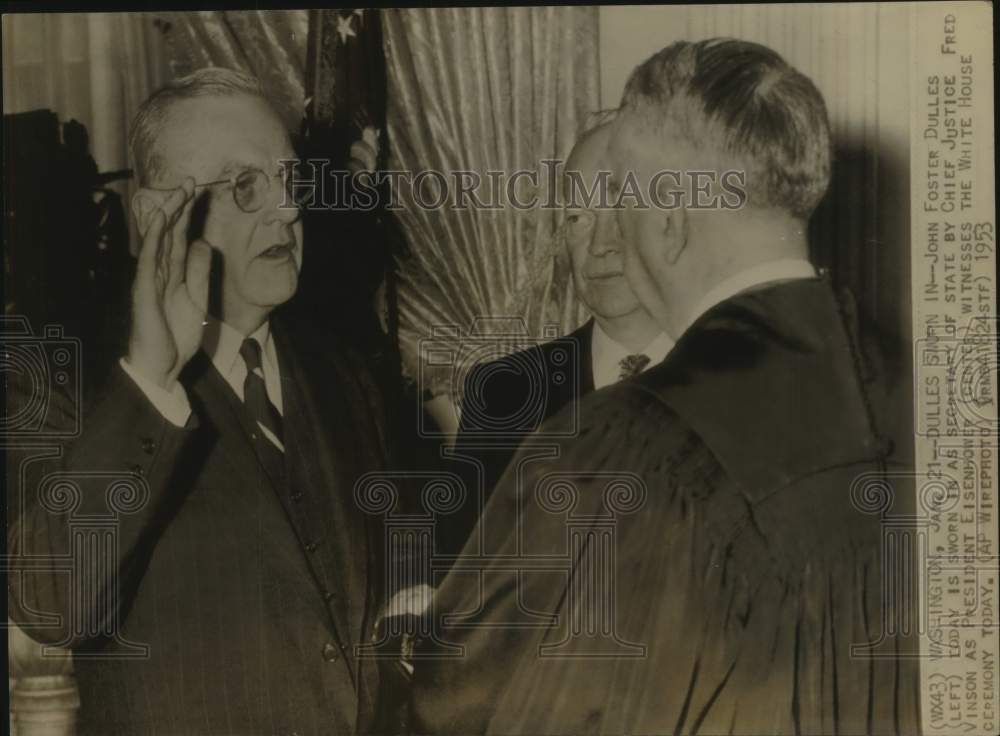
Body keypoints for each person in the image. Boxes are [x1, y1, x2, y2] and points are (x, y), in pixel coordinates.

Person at [411, 39, 918, 735]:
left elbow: (478, 708)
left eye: (622, 201)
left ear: (670, 224)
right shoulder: (922, 397)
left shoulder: (614, 447)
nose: (606, 237)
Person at [7, 68, 398, 735]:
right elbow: (49, 604)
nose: (288, 209)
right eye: (245, 185)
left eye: (289, 178)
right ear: (156, 215)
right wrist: (152, 380)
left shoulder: (347, 375)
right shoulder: (62, 380)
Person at [444, 120, 672, 553]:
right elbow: (460, 576)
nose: (600, 245)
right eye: (578, 218)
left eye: (620, 213)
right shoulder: (503, 394)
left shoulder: (735, 382)